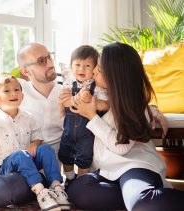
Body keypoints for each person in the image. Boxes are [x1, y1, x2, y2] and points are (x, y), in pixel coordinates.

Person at [0, 42, 169, 211]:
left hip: (39, 168)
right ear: (25, 70)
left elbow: (120, 93)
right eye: (42, 60)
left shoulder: (69, 91)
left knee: (12, 191)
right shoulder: (15, 88)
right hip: (2, 153)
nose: (50, 64)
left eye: (50, 56)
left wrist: (152, 108)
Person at [64, 42, 184, 211]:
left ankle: (141, 198)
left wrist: (91, 116)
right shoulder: (102, 96)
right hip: (107, 171)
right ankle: (136, 197)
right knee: (77, 190)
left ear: (115, 76)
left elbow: (121, 148)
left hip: (133, 166)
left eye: (99, 68)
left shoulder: (133, 106)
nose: (94, 71)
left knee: (141, 203)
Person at [0, 74, 69, 211]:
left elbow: (38, 136)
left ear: (22, 95)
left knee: (45, 148)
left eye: (16, 89)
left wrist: (35, 143)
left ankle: (56, 187)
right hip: (7, 166)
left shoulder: (29, 118)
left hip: (28, 160)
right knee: (21, 155)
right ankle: (40, 192)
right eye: (6, 91)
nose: (13, 93)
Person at [58, 45, 109, 187]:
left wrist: (93, 101)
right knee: (65, 153)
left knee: (84, 156)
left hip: (87, 131)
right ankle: (68, 177)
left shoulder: (96, 86)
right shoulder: (68, 83)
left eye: (87, 65)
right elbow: (64, 101)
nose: (82, 69)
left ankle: (81, 181)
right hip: (68, 129)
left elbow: (106, 104)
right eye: (78, 65)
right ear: (71, 66)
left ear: (95, 68)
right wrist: (75, 99)